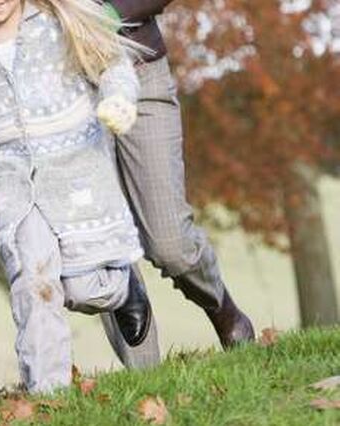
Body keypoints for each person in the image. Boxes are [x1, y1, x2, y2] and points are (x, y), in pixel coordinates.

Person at [0, 0, 153, 392]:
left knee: (81, 289)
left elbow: (113, 66)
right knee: (34, 283)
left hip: (76, 174)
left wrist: (119, 99)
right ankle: (47, 397)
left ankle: (123, 286)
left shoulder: (61, 20)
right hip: (13, 187)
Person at [101, 0, 255, 349]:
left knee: (170, 243)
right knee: (104, 245)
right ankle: (143, 381)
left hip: (139, 70)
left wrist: (104, 15)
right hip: (61, 92)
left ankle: (222, 308)